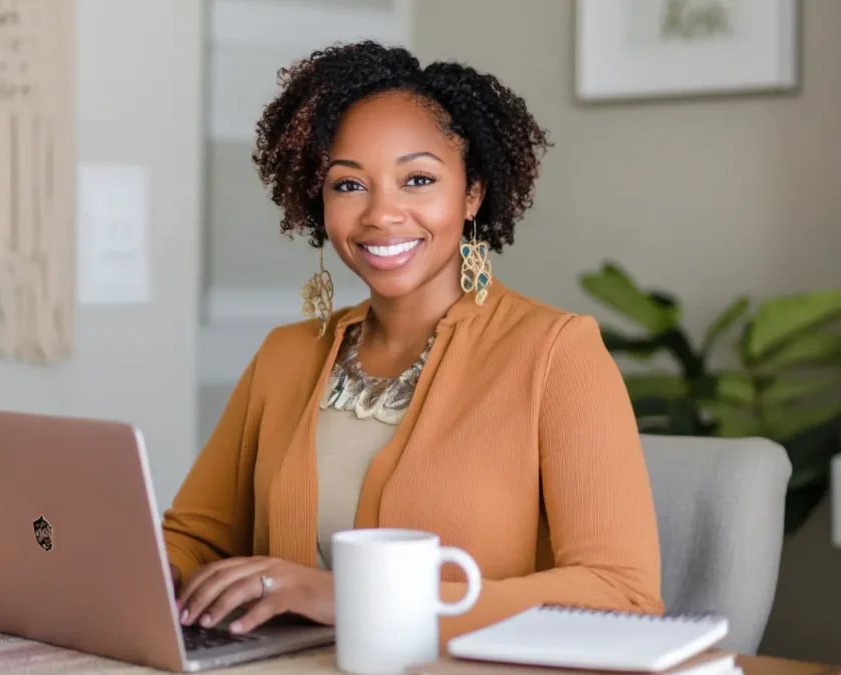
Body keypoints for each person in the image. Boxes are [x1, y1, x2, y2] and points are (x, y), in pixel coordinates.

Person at [162, 41, 664, 642]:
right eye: (349, 185)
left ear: (472, 193)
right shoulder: (285, 354)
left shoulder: (557, 352)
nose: (382, 214)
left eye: (418, 179)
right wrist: (142, 576)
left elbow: (623, 594)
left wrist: (355, 598)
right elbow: (193, 539)